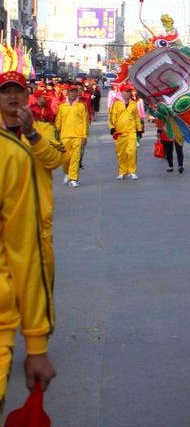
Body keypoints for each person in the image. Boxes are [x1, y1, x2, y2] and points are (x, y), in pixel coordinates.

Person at [0, 71, 57, 411]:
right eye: (5, 92)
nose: (11, 98)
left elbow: (57, 159)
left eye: (16, 92)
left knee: (39, 278)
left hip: (37, 231)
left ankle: (37, 329)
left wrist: (34, 134)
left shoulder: (40, 135)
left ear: (26, 96)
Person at [56, 85, 89, 187]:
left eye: (75, 91)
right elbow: (58, 122)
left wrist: (84, 136)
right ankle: (67, 172)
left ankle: (73, 178)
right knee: (65, 159)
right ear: (68, 93)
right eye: (71, 91)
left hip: (78, 136)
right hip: (65, 136)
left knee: (75, 158)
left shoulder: (81, 106)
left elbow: (85, 122)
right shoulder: (62, 106)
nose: (73, 93)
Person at [109, 84, 142, 180]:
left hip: (131, 132)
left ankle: (132, 171)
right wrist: (112, 128)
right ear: (121, 92)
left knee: (132, 152)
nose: (129, 93)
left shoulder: (133, 104)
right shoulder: (116, 104)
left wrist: (139, 129)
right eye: (127, 91)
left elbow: (136, 117)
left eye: (130, 91)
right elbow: (112, 117)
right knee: (121, 153)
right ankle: (122, 171)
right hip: (120, 132)